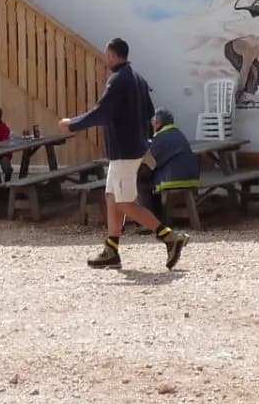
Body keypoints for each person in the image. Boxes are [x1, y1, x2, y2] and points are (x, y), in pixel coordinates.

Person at [61, 38, 186, 270]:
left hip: (124, 153)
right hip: (132, 149)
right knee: (111, 197)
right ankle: (112, 249)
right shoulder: (137, 78)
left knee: (126, 203)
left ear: (111, 55)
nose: (105, 59)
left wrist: (73, 124)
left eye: (106, 55)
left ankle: (170, 237)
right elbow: (150, 111)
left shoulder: (118, 80)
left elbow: (102, 113)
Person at [138, 108, 200, 222]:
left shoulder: (161, 138)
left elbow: (150, 161)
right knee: (150, 179)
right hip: (192, 177)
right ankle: (158, 218)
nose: (151, 125)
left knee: (142, 182)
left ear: (158, 123)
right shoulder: (177, 134)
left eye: (153, 122)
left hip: (175, 178)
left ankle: (148, 222)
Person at [222, 34, 259, 101]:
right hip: (232, 51)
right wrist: (240, 89)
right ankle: (247, 95)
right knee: (252, 71)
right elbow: (244, 71)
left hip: (246, 48)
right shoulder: (251, 49)